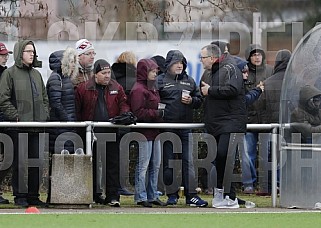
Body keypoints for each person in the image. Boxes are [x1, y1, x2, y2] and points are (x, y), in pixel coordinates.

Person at [0, 40, 49, 207]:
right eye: (28, 51)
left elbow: (44, 98)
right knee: (19, 163)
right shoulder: (10, 74)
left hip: (37, 126)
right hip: (18, 127)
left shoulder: (36, 74)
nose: (32, 54)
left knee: (37, 163)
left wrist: (44, 115)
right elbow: (4, 99)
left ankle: (34, 196)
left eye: (33, 51)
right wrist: (16, 117)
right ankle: (20, 196)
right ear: (20, 53)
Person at [75, 59, 130, 207]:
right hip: (90, 133)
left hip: (111, 131)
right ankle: (92, 194)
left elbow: (123, 104)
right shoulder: (83, 88)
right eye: (104, 73)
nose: (107, 76)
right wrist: (80, 129)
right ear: (95, 74)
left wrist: (124, 115)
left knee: (112, 164)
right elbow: (78, 110)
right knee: (90, 165)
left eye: (108, 73)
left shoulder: (116, 87)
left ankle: (112, 196)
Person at [157, 50, 208, 207]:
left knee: (188, 162)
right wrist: (161, 111)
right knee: (169, 163)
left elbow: (199, 101)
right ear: (169, 65)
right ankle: (172, 195)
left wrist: (192, 101)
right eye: (176, 63)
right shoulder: (159, 80)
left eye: (181, 63)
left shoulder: (190, 80)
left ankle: (191, 195)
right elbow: (153, 101)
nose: (179, 65)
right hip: (167, 128)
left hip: (186, 127)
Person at [200, 44, 247, 208]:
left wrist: (211, 90)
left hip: (231, 121)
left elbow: (233, 89)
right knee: (219, 159)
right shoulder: (209, 73)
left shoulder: (230, 68)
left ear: (212, 58)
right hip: (216, 123)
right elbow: (203, 93)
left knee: (225, 157)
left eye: (203, 58)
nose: (201, 61)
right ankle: (220, 193)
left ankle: (230, 197)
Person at [129, 58, 166, 207]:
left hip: (154, 131)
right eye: (152, 70)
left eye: (155, 70)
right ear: (144, 72)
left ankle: (152, 194)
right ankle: (141, 195)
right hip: (144, 132)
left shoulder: (152, 87)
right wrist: (157, 114)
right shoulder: (138, 89)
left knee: (155, 165)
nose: (155, 73)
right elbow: (138, 112)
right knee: (143, 165)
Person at [242, 44, 273, 194]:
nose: (257, 57)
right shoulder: (244, 72)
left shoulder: (270, 71)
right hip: (249, 119)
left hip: (267, 120)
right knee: (248, 154)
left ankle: (268, 185)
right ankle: (248, 184)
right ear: (249, 57)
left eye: (259, 54)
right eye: (254, 55)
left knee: (268, 153)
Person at [0, 42, 13, 204]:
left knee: (9, 157)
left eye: (6, 54)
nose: (5, 57)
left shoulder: (7, 74)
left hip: (6, 121)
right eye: (2, 55)